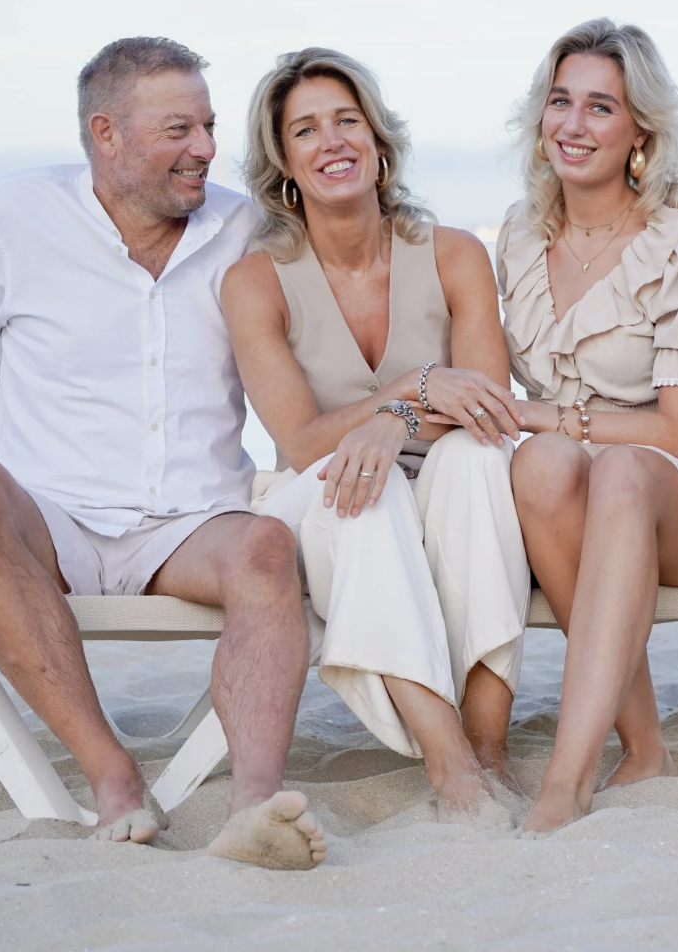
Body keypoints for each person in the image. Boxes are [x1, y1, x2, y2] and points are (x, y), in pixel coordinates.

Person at [0, 38, 326, 871]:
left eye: (210, 125)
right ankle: (111, 773)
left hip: (191, 524)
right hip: (52, 522)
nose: (208, 149)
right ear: (105, 135)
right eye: (179, 128)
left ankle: (255, 802)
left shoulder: (245, 228)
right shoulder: (7, 220)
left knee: (266, 545)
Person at [222, 47, 530, 824]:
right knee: (367, 484)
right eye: (306, 130)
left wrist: (392, 423)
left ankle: (490, 744)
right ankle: (450, 762)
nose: (332, 142)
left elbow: (488, 405)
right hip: (326, 502)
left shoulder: (455, 254)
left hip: (452, 483)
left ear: (379, 142)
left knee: (474, 462)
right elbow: (299, 444)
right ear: (283, 163)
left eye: (346, 121)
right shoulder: (257, 281)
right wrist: (409, 393)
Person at [496, 19, 678, 833]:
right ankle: (643, 745)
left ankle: (566, 779)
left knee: (614, 468)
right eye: (560, 101)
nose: (573, 125)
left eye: (601, 107)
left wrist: (550, 417)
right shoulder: (521, 234)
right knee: (538, 466)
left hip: (672, 493)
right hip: (566, 496)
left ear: (642, 128)